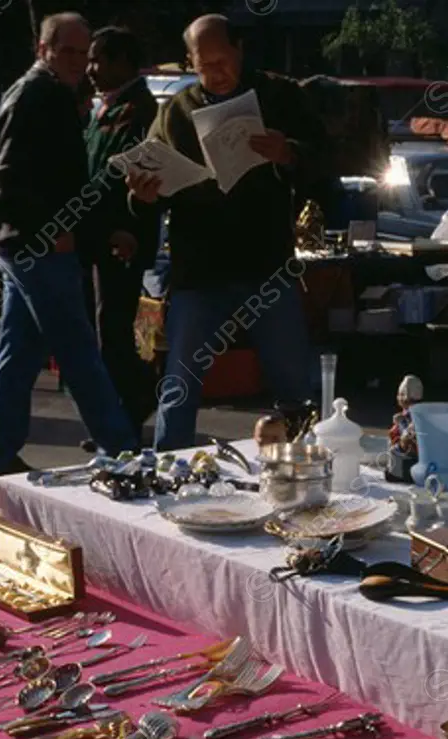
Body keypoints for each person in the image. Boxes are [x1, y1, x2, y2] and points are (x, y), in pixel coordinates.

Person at [127, 14, 333, 451]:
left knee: (292, 383)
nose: (216, 73)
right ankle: (171, 469)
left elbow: (329, 162)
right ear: (190, 62)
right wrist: (141, 196)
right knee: (180, 383)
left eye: (223, 61)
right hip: (198, 268)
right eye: (205, 65)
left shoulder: (280, 95)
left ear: (240, 50)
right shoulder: (176, 111)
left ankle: (301, 471)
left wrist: (289, 153)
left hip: (266, 264)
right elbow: (149, 177)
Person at [0, 12, 138, 487]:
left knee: (20, 351)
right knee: (78, 350)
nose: (79, 62)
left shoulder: (40, 93)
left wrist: (91, 230)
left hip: (27, 242)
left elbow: (43, 181)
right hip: (38, 247)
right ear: (43, 49)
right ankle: (124, 453)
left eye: (83, 53)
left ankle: (0, 455)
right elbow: (10, 179)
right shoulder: (38, 94)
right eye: (67, 51)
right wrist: (53, 230)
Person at [80, 26, 160, 453]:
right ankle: (117, 419)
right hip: (97, 236)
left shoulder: (140, 110)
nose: (91, 69)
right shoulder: (103, 108)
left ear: (124, 63)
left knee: (116, 332)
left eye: (100, 60)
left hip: (123, 239)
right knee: (106, 332)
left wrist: (129, 228)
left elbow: (141, 179)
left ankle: (127, 421)